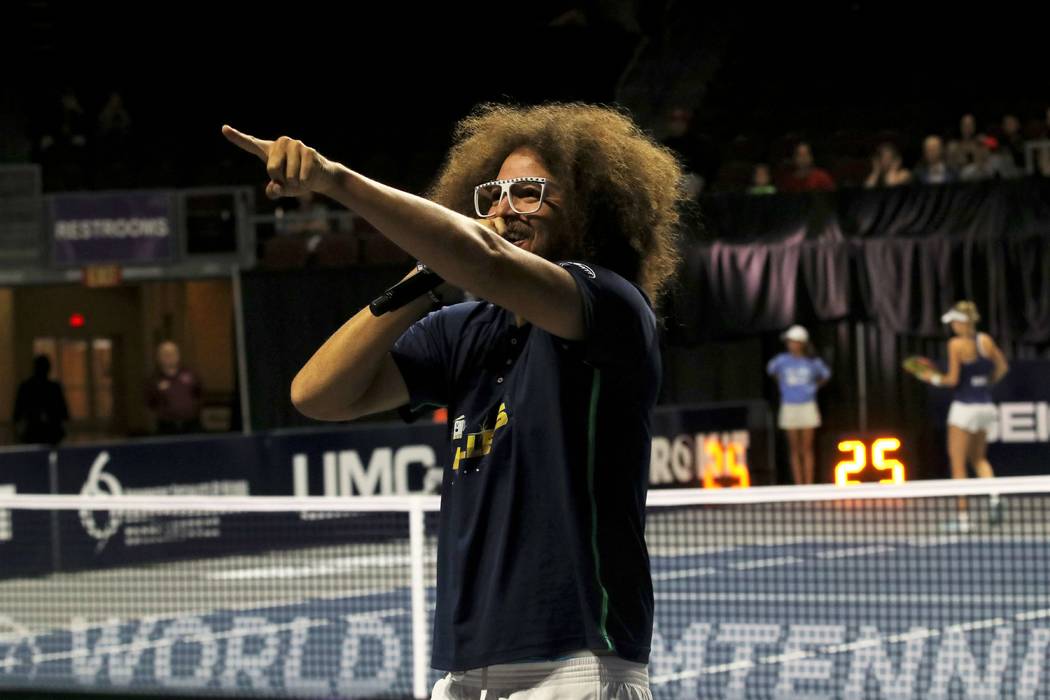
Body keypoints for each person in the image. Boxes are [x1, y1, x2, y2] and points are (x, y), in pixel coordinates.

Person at [224, 102, 684, 699]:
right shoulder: (465, 331)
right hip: (467, 668)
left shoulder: (612, 309)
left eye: (528, 193)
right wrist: (424, 279)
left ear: (589, 206)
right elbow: (316, 394)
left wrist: (333, 180)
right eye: (492, 194)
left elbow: (486, 259)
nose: (502, 210)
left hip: (576, 662)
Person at [915, 301, 1009, 533]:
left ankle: (963, 519)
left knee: (958, 465)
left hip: (964, 409)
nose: (953, 327)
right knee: (979, 459)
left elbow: (953, 380)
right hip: (986, 408)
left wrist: (931, 378)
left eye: (954, 322)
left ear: (963, 322)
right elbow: (1002, 368)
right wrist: (986, 384)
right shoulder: (985, 340)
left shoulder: (955, 344)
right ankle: (995, 497)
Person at [767, 325, 831, 486]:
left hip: (807, 406)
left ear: (801, 343)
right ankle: (798, 484)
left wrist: (813, 387)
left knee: (807, 448)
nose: (790, 345)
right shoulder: (781, 361)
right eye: (789, 342)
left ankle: (808, 484)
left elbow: (825, 375)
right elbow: (772, 372)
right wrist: (785, 387)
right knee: (794, 449)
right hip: (789, 406)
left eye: (793, 341)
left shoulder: (812, 362)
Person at [145, 341, 203, 435]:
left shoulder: (191, 375)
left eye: (172, 353)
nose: (169, 356)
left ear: (178, 355)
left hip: (192, 426)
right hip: (166, 427)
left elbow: (199, 394)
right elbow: (150, 402)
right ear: (158, 357)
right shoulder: (153, 380)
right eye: (165, 354)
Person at [12, 355, 69, 445]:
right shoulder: (53, 387)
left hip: (46, 433)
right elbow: (64, 413)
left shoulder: (27, 387)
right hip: (41, 433)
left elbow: (17, 414)